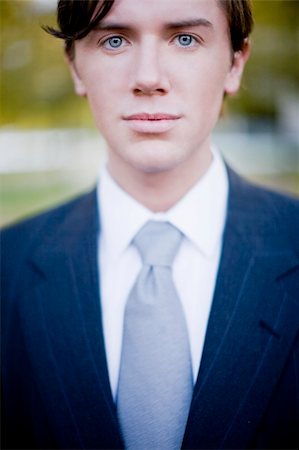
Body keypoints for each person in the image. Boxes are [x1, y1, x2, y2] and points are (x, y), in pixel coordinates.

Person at [1, 0, 298, 449]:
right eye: (114, 40)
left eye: (185, 39)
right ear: (76, 68)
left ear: (235, 63)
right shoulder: (7, 266)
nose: (148, 79)